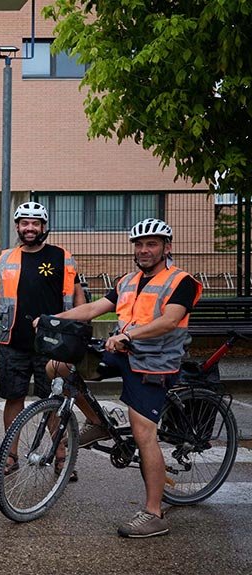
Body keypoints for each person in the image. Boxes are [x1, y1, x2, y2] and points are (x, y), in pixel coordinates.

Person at [42, 218, 200, 538]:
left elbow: (170, 321)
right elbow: (93, 309)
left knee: (144, 436)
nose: (144, 250)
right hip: (123, 352)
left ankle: (154, 513)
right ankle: (97, 423)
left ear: (166, 248)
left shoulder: (181, 280)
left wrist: (132, 336)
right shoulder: (127, 280)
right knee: (57, 366)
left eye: (151, 244)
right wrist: (53, 320)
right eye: (139, 244)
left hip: (155, 363)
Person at [0, 202, 85, 476]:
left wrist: (82, 327)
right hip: (13, 341)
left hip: (53, 344)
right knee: (14, 399)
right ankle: (10, 457)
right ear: (17, 226)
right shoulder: (4, 260)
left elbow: (79, 297)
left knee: (53, 400)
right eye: (25, 223)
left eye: (35, 223)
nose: (30, 228)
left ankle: (61, 457)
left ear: (44, 227)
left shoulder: (62, 257)